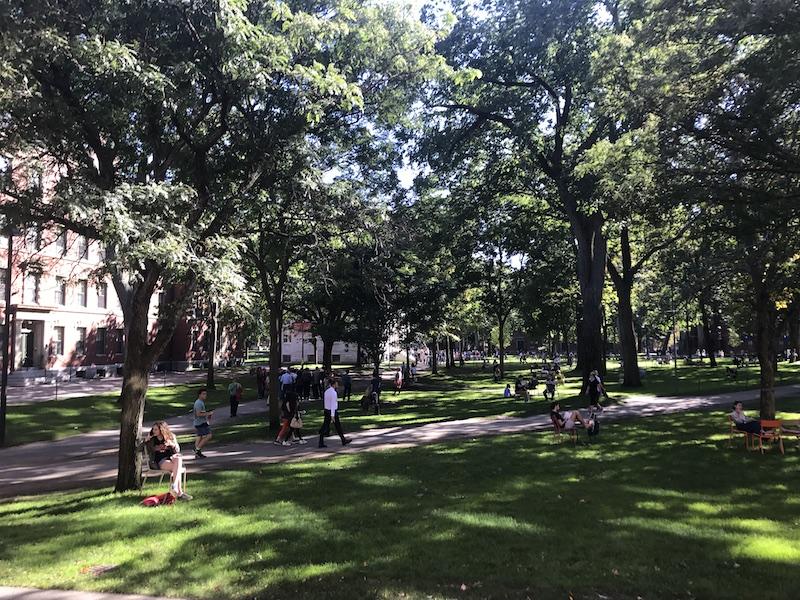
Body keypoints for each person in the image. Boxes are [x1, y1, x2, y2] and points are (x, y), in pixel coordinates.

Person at [146, 421, 192, 500]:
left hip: (172, 459)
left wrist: (172, 444)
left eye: (156, 429)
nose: (154, 431)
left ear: (162, 430)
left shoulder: (171, 436)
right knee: (177, 467)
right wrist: (145, 440)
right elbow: (139, 449)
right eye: (153, 429)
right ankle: (179, 492)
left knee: (178, 458)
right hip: (160, 461)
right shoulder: (152, 439)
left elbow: (177, 450)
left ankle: (175, 487)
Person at [318, 378, 351, 448]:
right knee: (337, 426)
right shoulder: (333, 393)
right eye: (337, 383)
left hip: (327, 410)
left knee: (325, 426)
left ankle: (321, 441)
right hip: (332, 411)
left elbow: (326, 402)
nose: (337, 384)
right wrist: (332, 415)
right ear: (334, 384)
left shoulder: (326, 391)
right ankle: (343, 440)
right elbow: (333, 404)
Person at [193, 389, 213, 458]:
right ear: (199, 395)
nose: (205, 395)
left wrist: (208, 415)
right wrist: (208, 413)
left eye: (205, 394)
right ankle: (197, 450)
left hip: (200, 422)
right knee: (209, 435)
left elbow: (202, 413)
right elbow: (198, 414)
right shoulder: (198, 403)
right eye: (203, 394)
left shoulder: (200, 402)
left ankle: (197, 453)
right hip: (200, 423)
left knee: (199, 437)